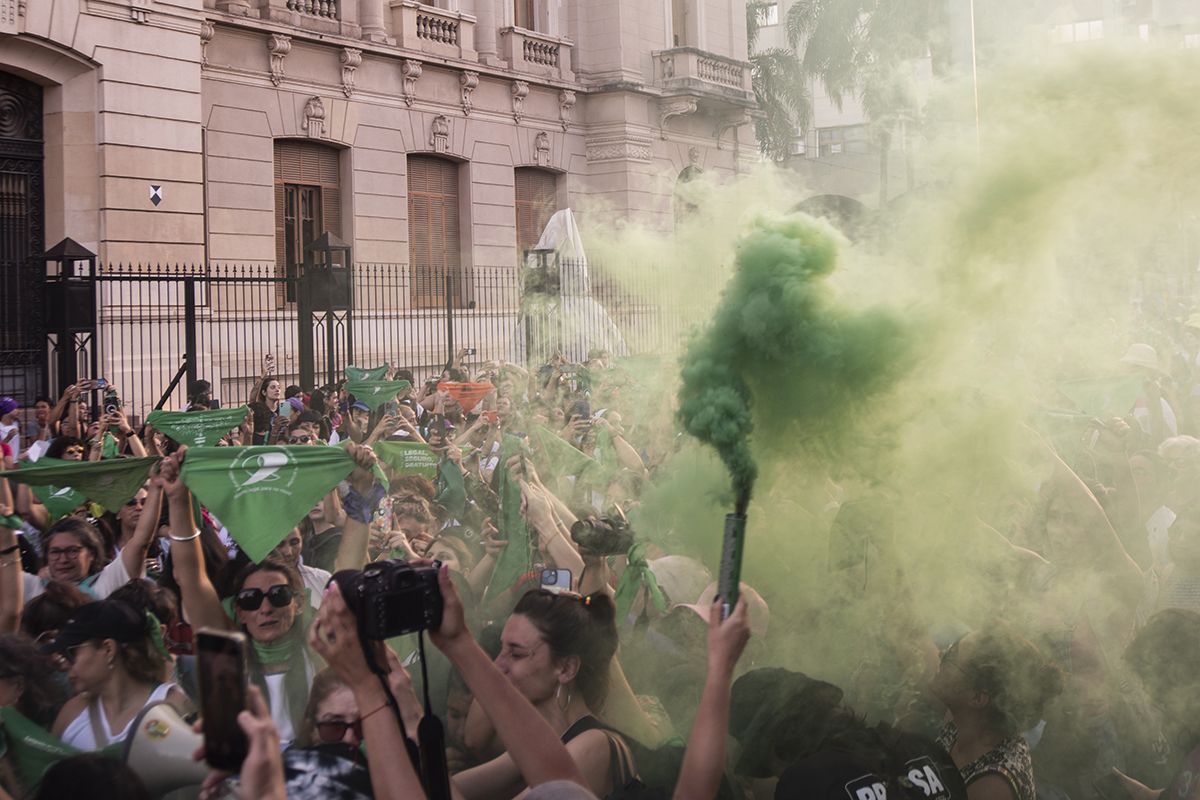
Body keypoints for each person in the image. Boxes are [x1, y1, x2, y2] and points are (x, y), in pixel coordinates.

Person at [453, 589, 637, 799]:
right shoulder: (547, 739)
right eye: (500, 650)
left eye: (516, 654)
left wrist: (412, 720)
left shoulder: (594, 746)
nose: (497, 665)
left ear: (566, 668)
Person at [932, 626, 1063, 800]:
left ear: (977, 698)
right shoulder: (960, 720)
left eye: (951, 655)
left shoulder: (993, 787)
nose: (941, 654)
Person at [45, 598, 189, 750]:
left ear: (108, 650)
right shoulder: (71, 712)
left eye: (71, 653)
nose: (65, 664)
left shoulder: (175, 707)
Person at [249, 376, 284, 445]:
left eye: (279, 387)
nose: (277, 390)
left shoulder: (284, 407)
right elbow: (252, 398)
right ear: (264, 392)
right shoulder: (259, 410)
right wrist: (262, 377)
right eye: (273, 387)